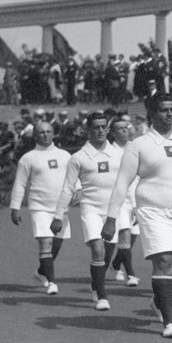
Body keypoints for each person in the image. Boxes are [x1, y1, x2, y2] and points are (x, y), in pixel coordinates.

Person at [101, 92, 172, 339]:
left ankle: (158, 301)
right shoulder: (139, 145)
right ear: (152, 113)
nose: (169, 114)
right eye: (164, 110)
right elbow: (122, 183)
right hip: (153, 211)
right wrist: (111, 218)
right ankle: (169, 321)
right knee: (163, 261)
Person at [51, 112, 124, 311]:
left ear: (108, 129)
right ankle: (102, 295)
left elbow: (129, 183)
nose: (100, 131)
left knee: (108, 251)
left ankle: (96, 283)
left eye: (103, 127)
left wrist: (133, 209)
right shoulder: (78, 158)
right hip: (90, 208)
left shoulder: (120, 154)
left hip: (114, 210)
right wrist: (58, 216)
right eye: (95, 127)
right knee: (98, 250)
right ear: (87, 130)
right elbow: (68, 188)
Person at [9, 121, 73, 296]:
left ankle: (41, 272)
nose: (45, 135)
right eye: (41, 132)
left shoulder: (65, 155)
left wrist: (79, 192)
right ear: (35, 136)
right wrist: (15, 207)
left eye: (48, 131)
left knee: (56, 245)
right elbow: (20, 184)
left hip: (61, 208)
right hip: (40, 207)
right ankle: (52, 282)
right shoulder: (28, 158)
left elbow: (73, 178)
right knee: (45, 243)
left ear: (53, 134)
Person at [107, 118, 139, 287]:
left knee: (133, 236)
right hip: (120, 200)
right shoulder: (110, 152)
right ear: (112, 133)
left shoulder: (134, 148)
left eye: (126, 128)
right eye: (120, 129)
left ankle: (116, 264)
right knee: (124, 236)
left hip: (136, 198)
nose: (125, 131)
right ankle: (131, 274)